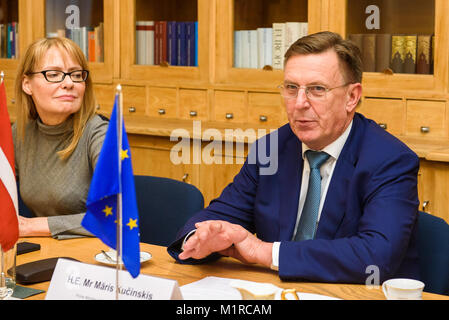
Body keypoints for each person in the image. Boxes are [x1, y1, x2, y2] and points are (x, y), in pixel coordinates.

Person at [167, 31, 420, 284]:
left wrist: (264, 252)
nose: (299, 103)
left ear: (352, 97)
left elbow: (375, 256)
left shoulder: (390, 160)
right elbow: (217, 217)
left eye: (317, 89)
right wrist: (201, 237)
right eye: (291, 88)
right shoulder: (272, 148)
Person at [12, 37, 108, 239]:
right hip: (44, 251)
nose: (69, 83)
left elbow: (114, 217)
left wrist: (31, 227)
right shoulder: (20, 133)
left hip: (95, 254)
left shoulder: (102, 134)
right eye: (54, 74)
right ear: (27, 84)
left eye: (76, 74)